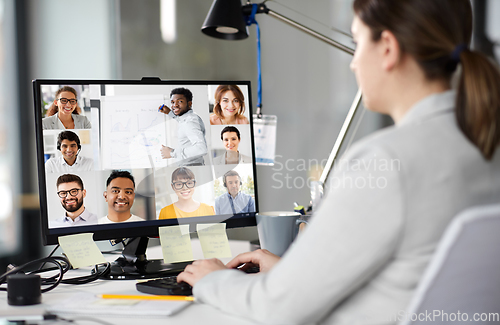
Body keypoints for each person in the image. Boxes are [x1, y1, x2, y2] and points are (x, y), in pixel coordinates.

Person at [176, 1, 500, 324]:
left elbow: (278, 309)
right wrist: (292, 274)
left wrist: (212, 280)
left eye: (357, 43)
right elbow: (409, 274)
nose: (353, 64)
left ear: (387, 47)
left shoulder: (385, 161)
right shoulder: (483, 145)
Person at [158, 87, 208, 166]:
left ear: (189, 103)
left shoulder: (190, 122)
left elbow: (201, 149)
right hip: (191, 166)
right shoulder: (188, 118)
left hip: (191, 167)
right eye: (173, 102)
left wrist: (172, 153)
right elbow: (182, 122)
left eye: (180, 101)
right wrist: (170, 113)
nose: (175, 105)